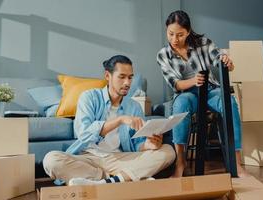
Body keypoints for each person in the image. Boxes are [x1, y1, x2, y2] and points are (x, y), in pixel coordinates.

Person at [43, 55, 175, 185]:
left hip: (120, 159)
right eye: (122, 77)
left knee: (168, 151)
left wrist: (148, 145)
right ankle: (121, 178)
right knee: (51, 160)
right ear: (108, 76)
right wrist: (120, 120)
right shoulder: (89, 97)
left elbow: (136, 145)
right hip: (89, 157)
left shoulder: (134, 106)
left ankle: (104, 182)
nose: (127, 83)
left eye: (130, 77)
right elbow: (83, 134)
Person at [157, 10, 248, 177]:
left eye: (180, 35)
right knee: (181, 104)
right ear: (166, 30)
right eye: (171, 34)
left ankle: (237, 164)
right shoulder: (163, 55)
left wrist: (227, 61)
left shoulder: (203, 43)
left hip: (210, 90)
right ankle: (180, 162)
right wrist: (194, 81)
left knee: (229, 101)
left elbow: (222, 61)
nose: (174, 40)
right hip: (186, 93)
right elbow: (175, 84)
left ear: (188, 31)